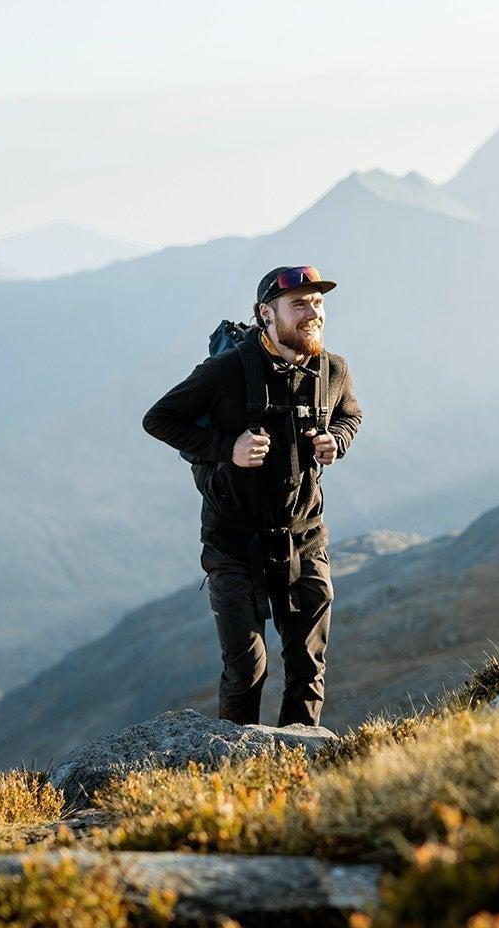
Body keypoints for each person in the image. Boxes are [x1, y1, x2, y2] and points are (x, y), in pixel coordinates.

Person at [141, 264, 362, 726]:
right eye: (298, 304)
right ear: (267, 313)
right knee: (247, 669)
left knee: (307, 667)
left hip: (305, 538)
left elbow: (350, 414)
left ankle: (294, 776)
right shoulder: (226, 371)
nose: (312, 313)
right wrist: (228, 449)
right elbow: (159, 419)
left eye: (318, 303)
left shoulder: (333, 370)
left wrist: (336, 441)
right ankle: (236, 777)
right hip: (234, 545)